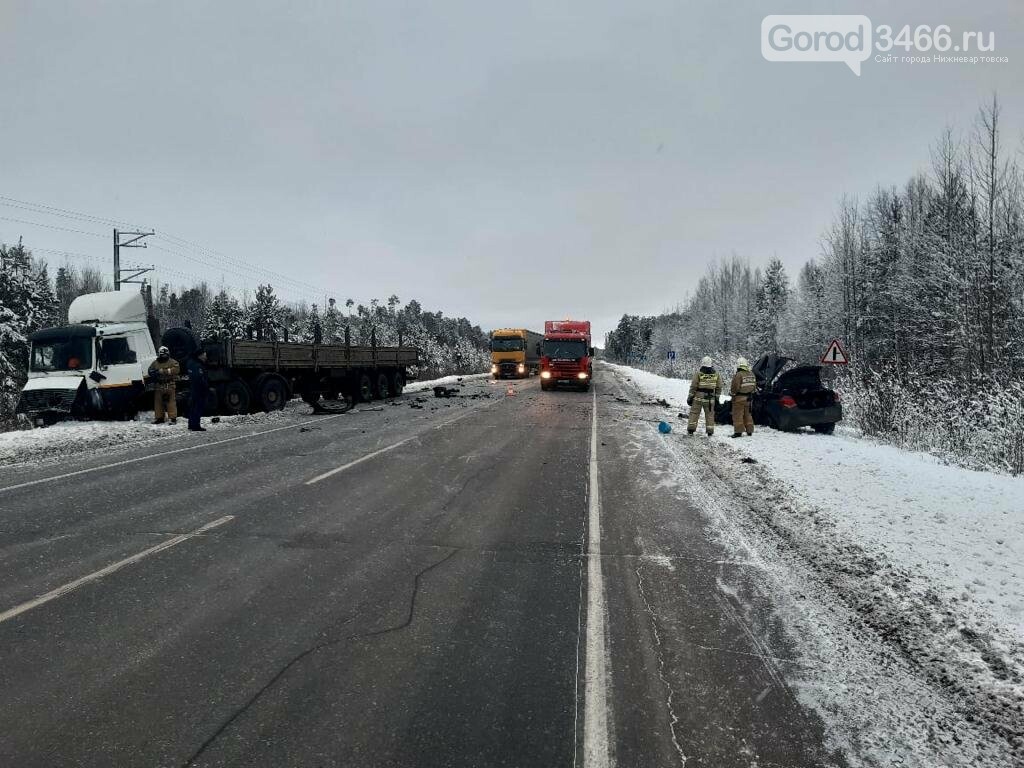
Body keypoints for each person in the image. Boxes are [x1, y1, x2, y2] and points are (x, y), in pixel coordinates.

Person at [687, 356, 721, 436]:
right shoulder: (716, 374)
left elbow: (693, 387)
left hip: (698, 397)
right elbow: (719, 387)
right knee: (710, 415)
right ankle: (710, 431)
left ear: (702, 364)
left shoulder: (698, 373)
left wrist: (690, 397)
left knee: (694, 413)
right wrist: (717, 398)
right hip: (710, 399)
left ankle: (691, 430)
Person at [148, 346, 179, 424]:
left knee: (171, 402)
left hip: (169, 384)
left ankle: (172, 418)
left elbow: (176, 370)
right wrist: (154, 373)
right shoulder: (155, 363)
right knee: (158, 403)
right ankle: (159, 418)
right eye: (162, 354)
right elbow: (150, 370)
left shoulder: (173, 362)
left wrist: (164, 371)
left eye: (165, 354)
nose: (164, 356)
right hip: (159, 385)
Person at [730, 356, 758, 438]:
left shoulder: (739, 375)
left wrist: (732, 394)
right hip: (749, 398)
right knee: (748, 414)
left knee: (737, 415)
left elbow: (735, 388)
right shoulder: (752, 374)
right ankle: (749, 430)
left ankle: (738, 432)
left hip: (739, 398)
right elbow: (754, 387)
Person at [186, 349, 210, 432]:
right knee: (198, 407)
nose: (206, 357)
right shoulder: (197, 365)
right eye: (204, 355)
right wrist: (205, 386)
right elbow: (199, 378)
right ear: (200, 355)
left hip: (193, 388)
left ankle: (191, 424)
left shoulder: (191, 363)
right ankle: (196, 425)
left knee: (193, 407)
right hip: (199, 389)